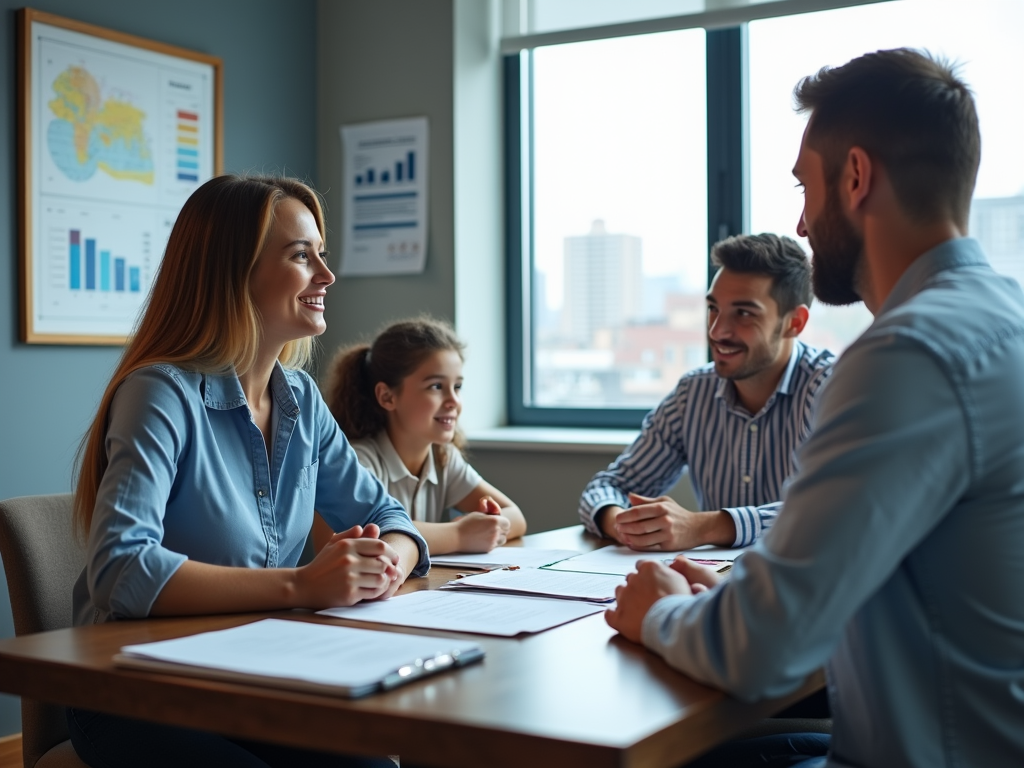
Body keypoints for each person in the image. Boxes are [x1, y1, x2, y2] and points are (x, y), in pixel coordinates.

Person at [608, 48, 1024, 768]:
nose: (801, 223)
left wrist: (661, 615)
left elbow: (760, 655)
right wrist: (737, 599)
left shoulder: (904, 357)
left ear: (856, 177)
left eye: (806, 186)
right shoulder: (1005, 318)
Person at [70, 175, 428, 768]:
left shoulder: (302, 401)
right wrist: (302, 585)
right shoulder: (160, 394)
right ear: (232, 272)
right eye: (300, 255)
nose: (326, 275)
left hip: (259, 670)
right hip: (135, 691)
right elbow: (122, 568)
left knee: (377, 763)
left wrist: (382, 563)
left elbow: (388, 516)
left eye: (322, 253)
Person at [579, 233, 834, 551]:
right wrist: (624, 524)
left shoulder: (831, 388)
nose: (717, 332)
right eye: (714, 309)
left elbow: (835, 507)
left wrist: (705, 526)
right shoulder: (693, 393)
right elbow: (609, 487)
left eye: (743, 314)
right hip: (714, 587)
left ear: (794, 323)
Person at [322, 318, 527, 555]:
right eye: (436, 387)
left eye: (457, 387)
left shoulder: (443, 459)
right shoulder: (357, 462)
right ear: (387, 397)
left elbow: (516, 516)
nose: (454, 402)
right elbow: (339, 541)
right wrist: (459, 535)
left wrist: (485, 527)